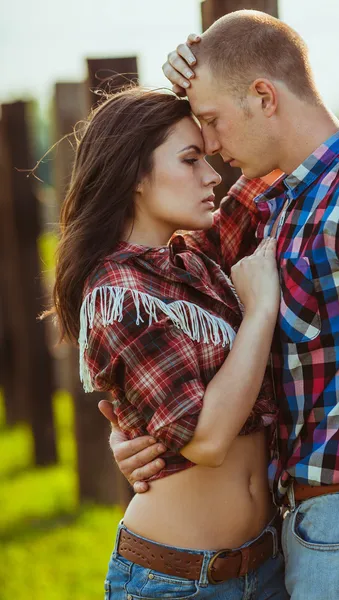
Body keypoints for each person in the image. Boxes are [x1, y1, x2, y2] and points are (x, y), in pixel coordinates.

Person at [104, 10, 339, 600]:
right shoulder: (279, 203)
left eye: (212, 121)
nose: (210, 146)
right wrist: (137, 426)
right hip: (301, 526)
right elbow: (155, 298)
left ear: (264, 96)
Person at [52, 86, 289, 599]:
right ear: (135, 174)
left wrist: (194, 73)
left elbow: (273, 164)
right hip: (180, 581)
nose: (212, 175)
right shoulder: (118, 294)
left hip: (268, 563)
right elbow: (205, 441)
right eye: (190, 160)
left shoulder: (195, 260)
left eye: (207, 157)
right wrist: (260, 312)